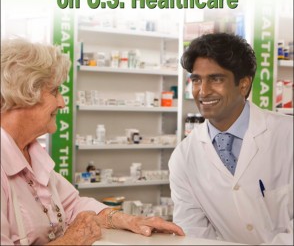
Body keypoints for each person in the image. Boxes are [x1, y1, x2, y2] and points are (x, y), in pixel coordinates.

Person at [1, 38, 185, 245]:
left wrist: (129, 220)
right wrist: (69, 242)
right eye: (54, 91)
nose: (62, 102)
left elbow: (72, 205)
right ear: (22, 94)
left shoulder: (31, 152)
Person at [169, 33, 293, 245]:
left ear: (243, 84)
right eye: (197, 80)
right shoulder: (183, 156)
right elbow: (194, 234)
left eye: (216, 79)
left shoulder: (287, 135)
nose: (203, 91)